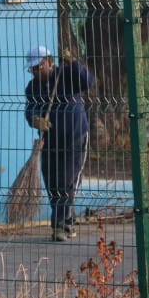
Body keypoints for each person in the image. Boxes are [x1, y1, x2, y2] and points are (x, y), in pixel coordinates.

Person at [23, 46, 95, 242]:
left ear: (49, 62)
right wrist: (35, 119)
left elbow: (87, 81)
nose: (37, 72)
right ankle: (68, 222)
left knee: (67, 182)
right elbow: (30, 109)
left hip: (74, 136)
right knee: (53, 183)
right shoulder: (33, 88)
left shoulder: (66, 75)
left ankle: (60, 227)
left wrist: (74, 63)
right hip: (50, 141)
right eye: (33, 69)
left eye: (39, 67)